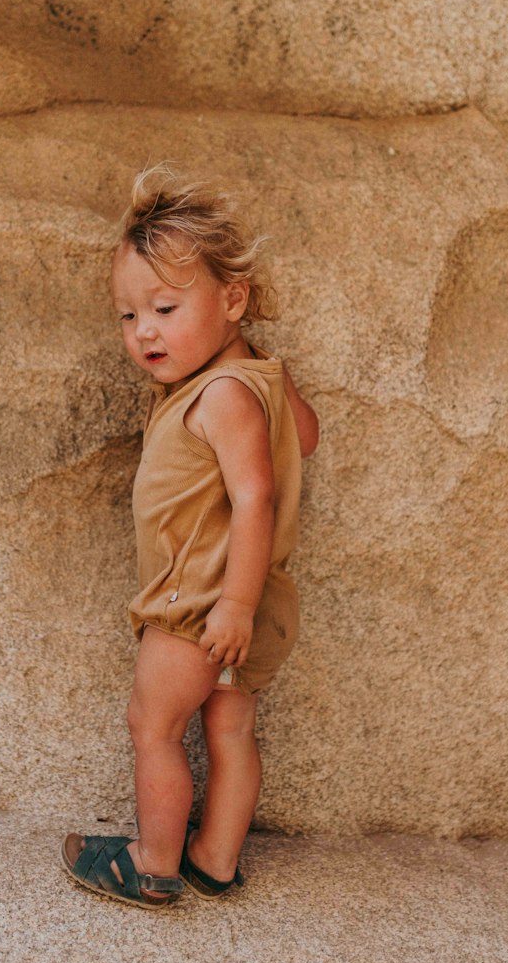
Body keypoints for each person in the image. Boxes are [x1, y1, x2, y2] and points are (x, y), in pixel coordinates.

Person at [61, 164, 319, 909]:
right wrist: (278, 380)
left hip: (200, 604)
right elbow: (303, 438)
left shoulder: (221, 395)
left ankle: (152, 859)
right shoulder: (256, 378)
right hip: (256, 602)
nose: (144, 330)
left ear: (232, 299)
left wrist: (229, 605)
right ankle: (216, 856)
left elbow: (256, 493)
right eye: (128, 315)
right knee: (230, 729)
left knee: (155, 724)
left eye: (166, 308)